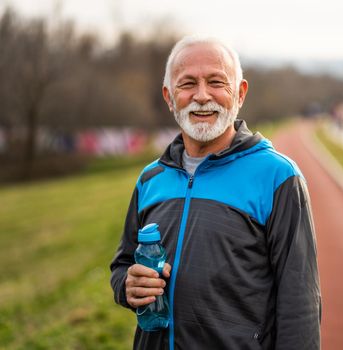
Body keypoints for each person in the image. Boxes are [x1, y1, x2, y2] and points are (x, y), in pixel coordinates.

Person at [110, 35, 321, 350]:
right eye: (187, 84)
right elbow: (122, 264)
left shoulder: (278, 177)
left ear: (240, 93)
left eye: (216, 82)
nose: (202, 96)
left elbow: (300, 305)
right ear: (169, 97)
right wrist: (127, 284)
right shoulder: (150, 178)